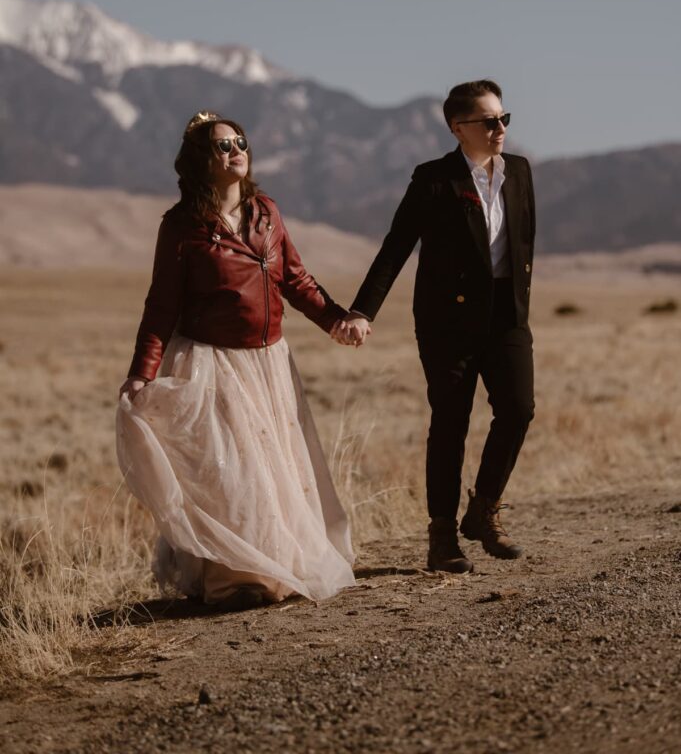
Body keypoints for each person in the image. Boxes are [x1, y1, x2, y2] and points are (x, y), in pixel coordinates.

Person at [117, 111, 357, 610]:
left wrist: (336, 319)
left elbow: (296, 280)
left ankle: (278, 570)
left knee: (274, 470)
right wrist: (143, 373)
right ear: (201, 161)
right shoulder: (181, 227)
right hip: (211, 362)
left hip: (269, 363)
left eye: (240, 142)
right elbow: (160, 306)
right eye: (223, 146)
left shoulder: (266, 212)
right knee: (231, 476)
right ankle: (235, 581)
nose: (235, 151)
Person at [332, 80, 535, 573]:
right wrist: (362, 310)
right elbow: (396, 246)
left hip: (507, 318)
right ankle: (442, 536)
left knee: (519, 409)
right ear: (457, 127)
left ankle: (483, 511)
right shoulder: (434, 179)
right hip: (448, 324)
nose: (499, 129)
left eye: (503, 119)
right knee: (450, 423)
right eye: (488, 121)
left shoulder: (520, 173)